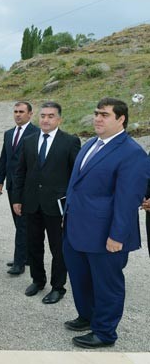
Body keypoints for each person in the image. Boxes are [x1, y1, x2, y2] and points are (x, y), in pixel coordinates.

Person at [63, 98, 149, 348]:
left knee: (107, 284)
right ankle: (88, 316)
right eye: (96, 113)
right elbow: (76, 185)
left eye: (104, 115)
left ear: (121, 119)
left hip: (106, 234)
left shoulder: (132, 153)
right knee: (80, 278)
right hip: (76, 229)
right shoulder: (91, 143)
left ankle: (104, 332)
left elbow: (127, 200)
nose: (97, 118)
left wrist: (117, 236)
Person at [12, 102, 80, 304]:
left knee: (58, 248)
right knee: (33, 245)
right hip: (32, 203)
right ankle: (37, 280)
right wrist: (17, 198)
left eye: (51, 116)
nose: (46, 120)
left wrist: (71, 205)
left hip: (57, 206)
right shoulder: (29, 141)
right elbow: (20, 172)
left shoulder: (70, 142)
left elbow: (76, 177)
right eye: (43, 116)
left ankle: (58, 287)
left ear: (59, 119)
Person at [0, 101, 39, 275]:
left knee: (22, 224)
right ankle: (25, 255)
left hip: (26, 187)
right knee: (18, 222)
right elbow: (4, 157)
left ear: (30, 114)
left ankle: (19, 263)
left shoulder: (36, 133)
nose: (18, 114)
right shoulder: (9, 134)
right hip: (12, 185)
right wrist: (0, 179)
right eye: (15, 111)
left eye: (21, 111)